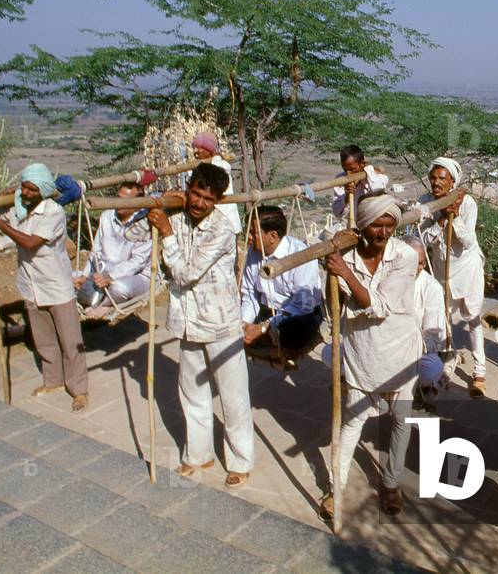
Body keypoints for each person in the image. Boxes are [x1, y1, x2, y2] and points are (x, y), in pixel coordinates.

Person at [147, 163, 254, 486]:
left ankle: (240, 461)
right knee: (192, 393)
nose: (199, 203)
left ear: (218, 200)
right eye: (195, 193)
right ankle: (198, 455)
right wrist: (164, 208)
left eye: (208, 198)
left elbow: (185, 272)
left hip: (220, 323)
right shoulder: (178, 219)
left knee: (233, 397)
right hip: (187, 322)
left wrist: (166, 231)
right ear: (187, 188)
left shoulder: (222, 229)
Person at [320, 195, 420, 519]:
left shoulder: (404, 256)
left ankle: (390, 483)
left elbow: (377, 307)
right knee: (352, 421)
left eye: (389, 225)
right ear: (363, 225)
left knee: (401, 420)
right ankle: (336, 487)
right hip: (362, 351)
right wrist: (331, 270)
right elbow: (332, 305)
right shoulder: (345, 255)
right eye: (377, 224)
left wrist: (345, 274)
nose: (383, 232)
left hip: (399, 349)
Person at [0, 163, 89, 413]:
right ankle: (53, 381)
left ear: (43, 190)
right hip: (31, 284)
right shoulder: (19, 209)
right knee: (44, 340)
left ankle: (79, 390)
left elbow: (29, 243)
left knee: (71, 342)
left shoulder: (53, 212)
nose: (26, 193)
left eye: (31, 189)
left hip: (56, 285)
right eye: (23, 187)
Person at [418, 156, 488, 398]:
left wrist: (454, 215)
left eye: (442, 178)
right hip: (441, 269)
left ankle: (480, 372)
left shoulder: (467, 204)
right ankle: (442, 363)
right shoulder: (425, 203)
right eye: (433, 177)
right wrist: (439, 218)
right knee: (441, 316)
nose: (436, 182)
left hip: (467, 269)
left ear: (452, 181)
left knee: (473, 318)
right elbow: (423, 240)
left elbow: (468, 240)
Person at [241, 205, 324, 365]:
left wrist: (265, 327)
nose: (248, 237)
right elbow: (250, 295)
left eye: (253, 233)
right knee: (234, 325)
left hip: (298, 314)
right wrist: (244, 323)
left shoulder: (300, 253)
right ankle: (268, 337)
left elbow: (303, 306)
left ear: (272, 236)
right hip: (267, 311)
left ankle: (272, 337)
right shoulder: (253, 253)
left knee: (295, 331)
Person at [73, 181, 152, 315]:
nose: (119, 203)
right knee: (68, 277)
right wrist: (85, 275)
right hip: (104, 271)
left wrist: (111, 277)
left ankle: (103, 306)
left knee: (119, 288)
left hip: (136, 276)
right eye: (118, 198)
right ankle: (92, 299)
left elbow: (138, 262)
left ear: (137, 205)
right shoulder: (107, 216)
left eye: (125, 201)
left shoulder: (143, 223)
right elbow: (96, 250)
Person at [398, 234, 447, 404]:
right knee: (330, 353)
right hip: (385, 347)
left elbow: (432, 336)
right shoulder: (388, 278)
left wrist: (410, 350)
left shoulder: (431, 288)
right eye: (412, 261)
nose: (418, 267)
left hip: (415, 351)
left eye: (421, 263)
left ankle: (419, 389)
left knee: (433, 367)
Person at [190, 131, 242, 235]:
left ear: (208, 150)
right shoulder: (199, 167)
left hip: (227, 219)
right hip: (211, 222)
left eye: (200, 148)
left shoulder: (221, 165)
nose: (196, 152)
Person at [331, 145, 389, 221]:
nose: (348, 174)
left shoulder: (376, 176)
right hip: (352, 227)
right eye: (345, 169)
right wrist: (346, 197)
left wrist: (368, 171)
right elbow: (337, 212)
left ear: (361, 164)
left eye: (352, 169)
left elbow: (377, 188)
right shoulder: (340, 180)